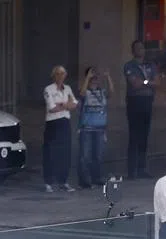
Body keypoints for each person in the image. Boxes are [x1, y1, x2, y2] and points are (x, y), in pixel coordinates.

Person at [123, 39, 156, 179]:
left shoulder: (150, 65)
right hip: (134, 102)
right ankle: (132, 171)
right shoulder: (129, 65)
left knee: (144, 136)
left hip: (147, 101)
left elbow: (158, 82)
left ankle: (142, 169)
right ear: (133, 51)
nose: (140, 50)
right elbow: (134, 83)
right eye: (137, 48)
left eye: (142, 48)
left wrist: (144, 82)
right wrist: (148, 82)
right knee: (134, 136)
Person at [42, 65, 77, 193]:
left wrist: (62, 105)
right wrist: (66, 105)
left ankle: (63, 181)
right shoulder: (48, 89)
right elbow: (51, 107)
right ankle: (48, 182)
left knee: (65, 152)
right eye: (58, 74)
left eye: (62, 74)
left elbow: (74, 104)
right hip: (53, 122)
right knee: (51, 152)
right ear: (54, 75)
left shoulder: (67, 88)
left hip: (65, 122)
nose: (60, 76)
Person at [77, 66, 113, 189]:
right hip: (86, 128)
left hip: (100, 128)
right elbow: (81, 93)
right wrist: (87, 77)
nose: (95, 78)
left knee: (98, 155)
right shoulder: (85, 91)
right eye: (93, 75)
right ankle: (84, 181)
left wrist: (108, 78)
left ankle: (97, 178)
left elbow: (111, 93)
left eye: (96, 76)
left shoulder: (101, 92)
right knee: (85, 156)